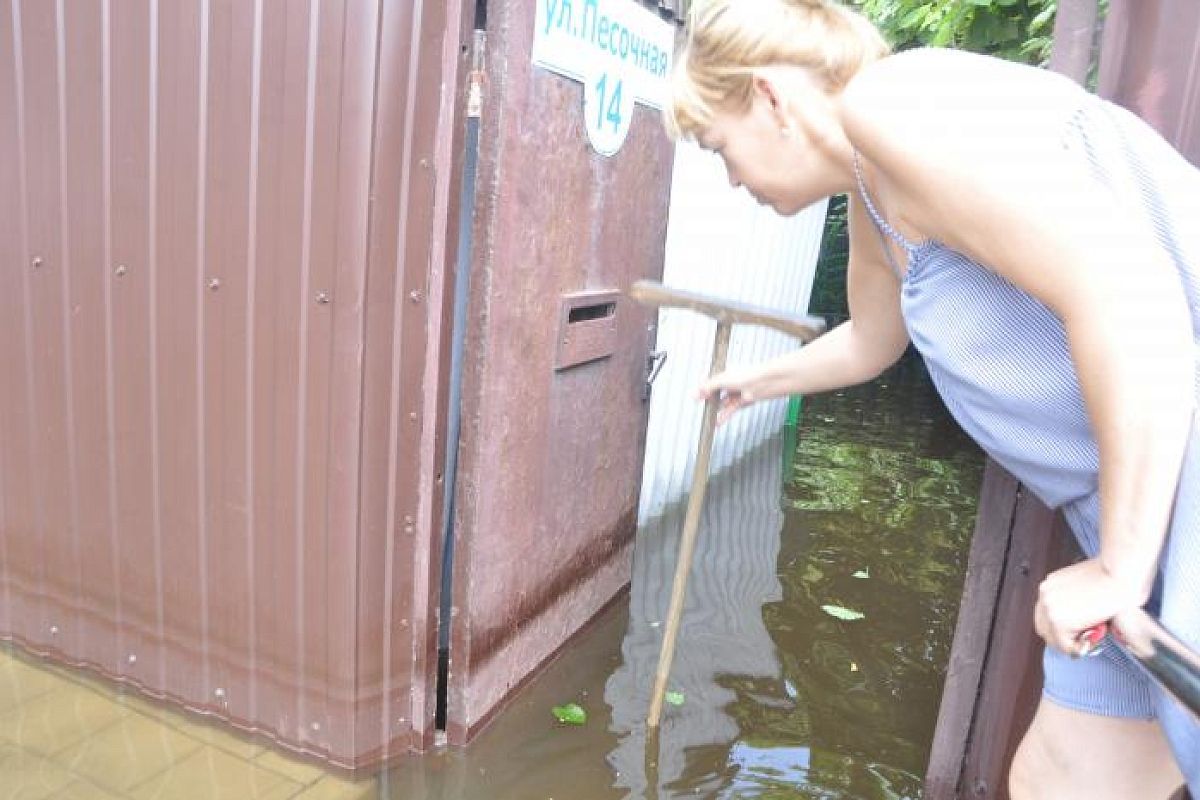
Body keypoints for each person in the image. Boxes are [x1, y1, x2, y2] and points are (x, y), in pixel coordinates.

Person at [663, 0, 1200, 797]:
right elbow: (874, 338)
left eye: (719, 148)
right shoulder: (874, 194)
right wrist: (759, 381)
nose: (732, 178)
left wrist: (1120, 566)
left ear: (771, 97)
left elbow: (1131, 293)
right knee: (1060, 780)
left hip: (1171, 498)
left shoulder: (895, 105)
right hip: (1137, 510)